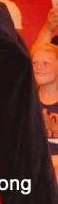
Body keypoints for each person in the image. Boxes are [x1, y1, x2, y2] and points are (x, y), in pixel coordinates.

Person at [32, 43, 58, 182]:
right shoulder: (27, 98)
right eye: (35, 63)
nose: (39, 66)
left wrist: (53, 127)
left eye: (46, 63)